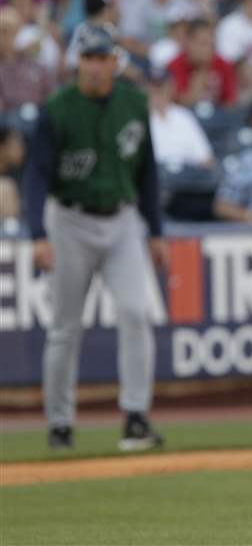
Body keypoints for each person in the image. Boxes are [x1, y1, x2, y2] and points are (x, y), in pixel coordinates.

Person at [21, 24, 167, 451]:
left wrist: (155, 230)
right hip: (69, 219)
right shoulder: (58, 107)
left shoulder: (134, 103)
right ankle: (60, 424)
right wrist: (37, 234)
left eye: (103, 58)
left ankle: (136, 417)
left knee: (137, 313)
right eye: (89, 58)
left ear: (114, 62)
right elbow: (36, 176)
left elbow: (148, 171)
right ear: (76, 62)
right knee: (66, 326)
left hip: (122, 218)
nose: (96, 66)